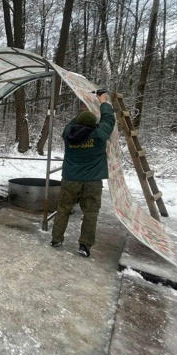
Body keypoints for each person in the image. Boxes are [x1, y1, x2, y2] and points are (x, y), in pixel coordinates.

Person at [50, 92, 116, 257]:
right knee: (90, 213)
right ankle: (84, 246)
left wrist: (84, 109)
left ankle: (56, 238)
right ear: (94, 125)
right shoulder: (99, 135)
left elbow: (73, 123)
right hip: (92, 182)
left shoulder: (68, 135)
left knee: (63, 209)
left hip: (70, 180)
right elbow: (109, 119)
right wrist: (103, 103)